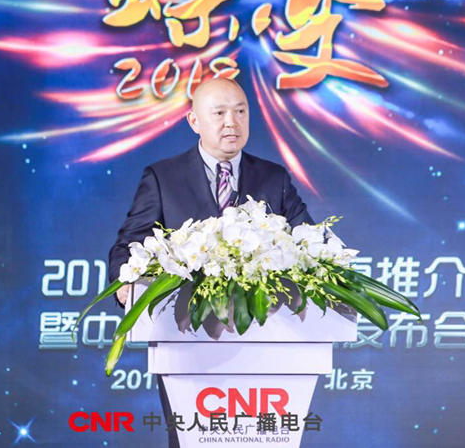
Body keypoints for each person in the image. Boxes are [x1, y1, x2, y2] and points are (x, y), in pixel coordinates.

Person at [107, 77, 314, 447]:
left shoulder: (274, 177)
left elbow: (308, 243)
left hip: (265, 340)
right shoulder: (163, 177)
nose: (231, 122)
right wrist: (126, 285)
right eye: (219, 113)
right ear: (194, 121)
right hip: (187, 336)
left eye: (240, 112)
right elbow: (128, 243)